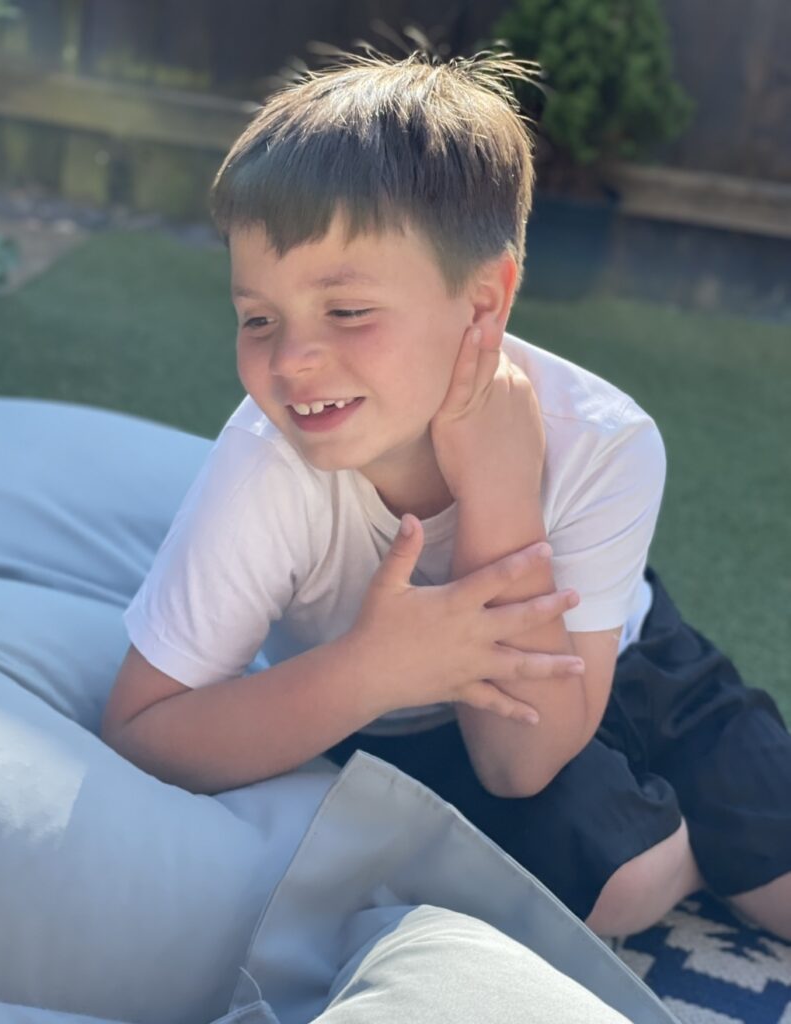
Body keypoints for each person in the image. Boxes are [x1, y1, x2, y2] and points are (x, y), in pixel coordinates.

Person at [100, 50, 791, 940]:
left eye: (346, 311)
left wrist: (500, 484)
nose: (289, 360)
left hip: (620, 650)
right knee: (616, 885)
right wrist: (375, 668)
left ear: (484, 302)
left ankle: (691, 806)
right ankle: (682, 843)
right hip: (408, 718)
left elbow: (558, 695)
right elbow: (141, 730)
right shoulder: (269, 469)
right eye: (257, 318)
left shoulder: (604, 440)